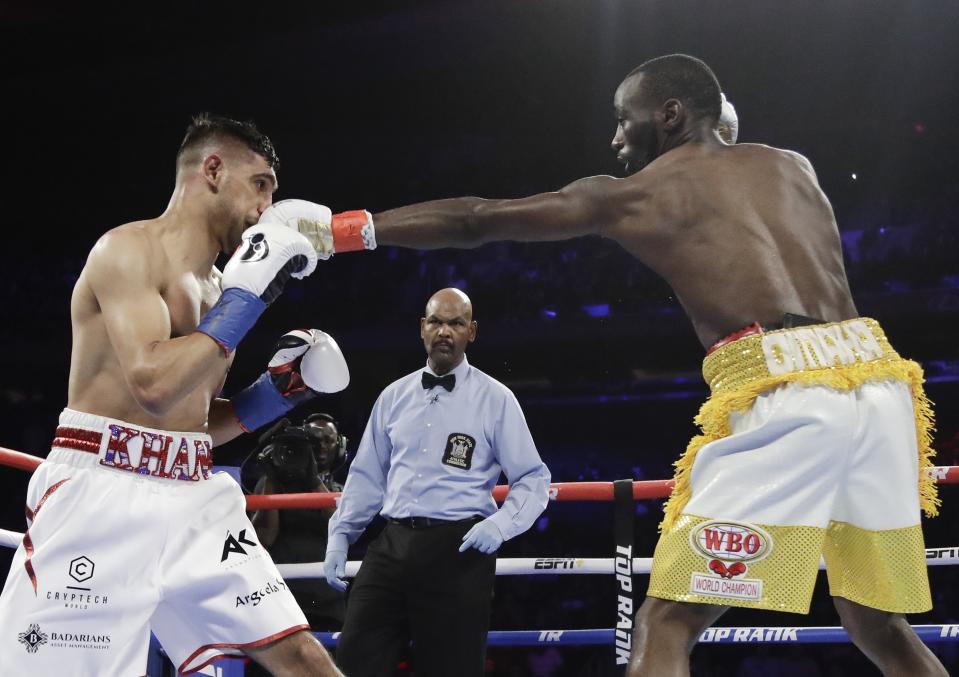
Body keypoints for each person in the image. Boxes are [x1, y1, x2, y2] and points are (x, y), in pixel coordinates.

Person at [270, 54, 945, 676]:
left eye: (625, 119)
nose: (616, 140)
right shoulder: (791, 166)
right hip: (878, 384)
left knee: (667, 620)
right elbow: (731, 155)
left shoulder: (636, 195)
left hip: (785, 387)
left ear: (670, 115)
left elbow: (480, 219)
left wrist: (342, 231)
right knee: (878, 625)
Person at [0, 114, 347, 676]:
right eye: (260, 184)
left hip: (191, 493)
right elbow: (153, 385)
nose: (268, 207)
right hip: (102, 491)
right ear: (213, 170)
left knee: (302, 658)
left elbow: (190, 424)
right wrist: (250, 300)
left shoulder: (222, 289)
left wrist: (281, 392)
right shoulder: (127, 251)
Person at [323, 288, 551, 677]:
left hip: (458, 551)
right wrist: (341, 535)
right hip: (391, 545)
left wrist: (500, 524)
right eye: (437, 322)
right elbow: (367, 475)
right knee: (351, 661)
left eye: (456, 323)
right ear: (422, 328)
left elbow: (533, 477)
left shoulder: (496, 399)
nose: (445, 331)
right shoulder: (393, 396)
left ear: (472, 332)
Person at [250, 413, 348, 630]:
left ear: (339, 446)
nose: (321, 446)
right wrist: (273, 476)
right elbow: (263, 537)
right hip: (280, 599)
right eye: (314, 440)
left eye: (328, 440)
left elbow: (342, 528)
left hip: (327, 604)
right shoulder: (271, 484)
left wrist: (312, 479)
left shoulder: (343, 491)